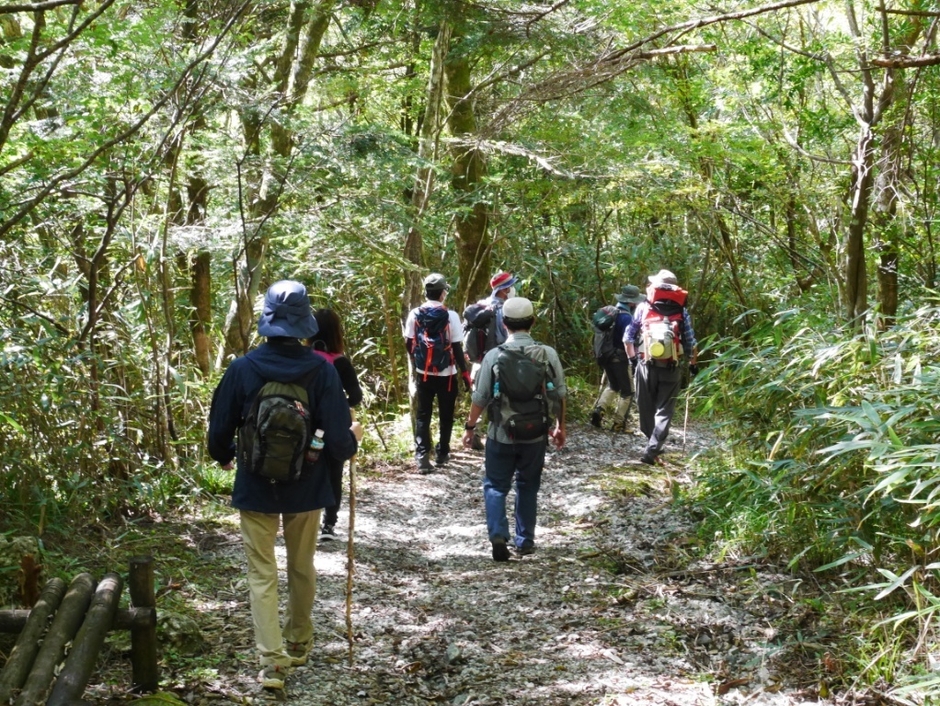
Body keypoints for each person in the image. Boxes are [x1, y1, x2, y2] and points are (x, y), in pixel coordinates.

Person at [208, 281, 363, 691]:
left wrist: (223, 456)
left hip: (255, 485)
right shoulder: (322, 370)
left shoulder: (242, 368)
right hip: (307, 485)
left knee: (262, 572)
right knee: (300, 565)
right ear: (303, 324)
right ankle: (298, 641)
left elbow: (218, 430)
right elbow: (340, 442)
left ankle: (272, 662)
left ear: (267, 320)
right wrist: (353, 438)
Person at [461, 297, 567, 561]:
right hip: (535, 433)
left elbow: (481, 397)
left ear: (504, 324)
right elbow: (560, 394)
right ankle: (525, 540)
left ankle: (498, 534)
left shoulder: (494, 356)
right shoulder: (547, 354)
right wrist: (559, 427)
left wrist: (470, 427)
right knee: (528, 485)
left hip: (500, 433)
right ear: (532, 322)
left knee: (496, 485)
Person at [624, 270, 698, 465]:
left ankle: (652, 445)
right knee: (664, 410)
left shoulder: (643, 307)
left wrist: (633, 360)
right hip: (671, 367)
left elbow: (628, 338)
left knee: (645, 406)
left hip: (645, 364)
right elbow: (691, 343)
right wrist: (692, 364)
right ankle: (653, 447)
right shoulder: (682, 312)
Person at [404, 273, 472, 473]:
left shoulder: (414, 314)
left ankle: (422, 456)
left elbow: (409, 343)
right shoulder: (450, 316)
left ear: (426, 292)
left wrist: (421, 361)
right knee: (446, 414)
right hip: (447, 374)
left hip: (423, 373)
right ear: (443, 293)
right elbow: (457, 347)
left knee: (423, 414)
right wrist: (465, 374)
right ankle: (442, 453)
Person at [309, 308, 363, 541]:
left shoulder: (303, 358)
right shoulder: (340, 363)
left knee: (308, 469)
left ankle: (305, 518)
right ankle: (328, 524)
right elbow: (356, 397)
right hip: (332, 429)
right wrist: (339, 405)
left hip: (307, 426)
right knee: (333, 473)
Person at [462, 270, 519, 449]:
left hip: (480, 361)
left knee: (480, 396)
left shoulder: (480, 306)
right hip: (501, 358)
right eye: (511, 286)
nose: (513, 289)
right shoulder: (504, 309)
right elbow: (505, 336)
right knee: (507, 395)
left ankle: (474, 434)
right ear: (504, 291)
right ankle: (507, 433)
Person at [589, 284, 646, 432]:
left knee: (613, 386)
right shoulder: (626, 317)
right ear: (632, 302)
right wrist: (633, 360)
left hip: (605, 356)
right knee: (628, 392)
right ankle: (619, 424)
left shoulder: (611, 313)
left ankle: (599, 410)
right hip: (620, 358)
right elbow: (627, 341)